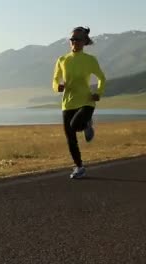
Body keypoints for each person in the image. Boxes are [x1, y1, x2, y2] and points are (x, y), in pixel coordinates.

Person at [52, 26, 106, 179]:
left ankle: (87, 122)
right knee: (70, 138)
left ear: (84, 42)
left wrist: (98, 93)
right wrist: (58, 87)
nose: (74, 42)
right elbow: (55, 79)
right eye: (72, 39)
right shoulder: (62, 60)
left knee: (75, 126)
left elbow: (102, 77)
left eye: (77, 39)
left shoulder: (90, 60)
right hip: (68, 102)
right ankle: (79, 167)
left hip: (86, 102)